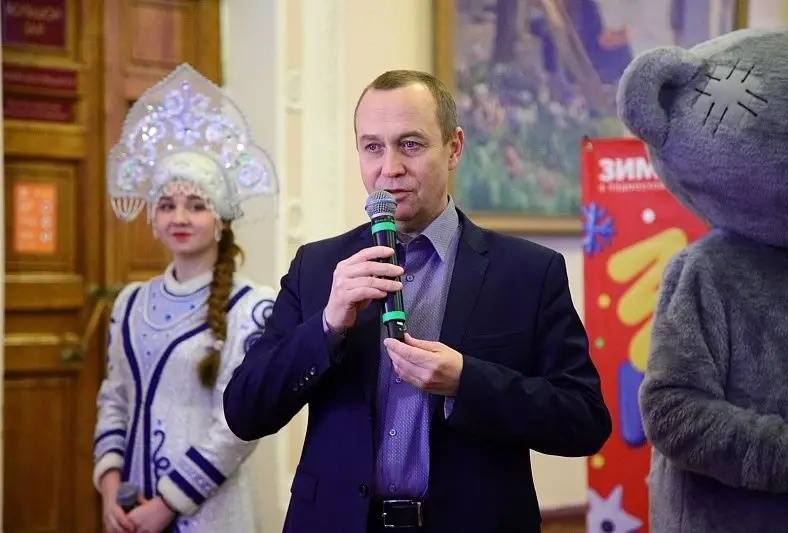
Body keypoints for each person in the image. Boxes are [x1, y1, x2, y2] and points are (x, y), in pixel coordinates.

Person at [223, 70, 611, 533]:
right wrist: (326, 327)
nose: (389, 168)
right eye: (372, 147)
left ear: (454, 148)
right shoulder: (318, 267)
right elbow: (244, 412)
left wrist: (467, 381)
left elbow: (584, 420)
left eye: (410, 144)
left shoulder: (528, 272)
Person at [92, 64, 278, 533]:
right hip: (128, 509)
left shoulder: (252, 308)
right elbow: (114, 398)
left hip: (208, 514)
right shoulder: (129, 303)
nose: (179, 218)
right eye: (167, 205)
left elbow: (238, 426)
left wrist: (167, 504)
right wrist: (110, 488)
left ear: (221, 221)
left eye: (197, 206)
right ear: (152, 219)